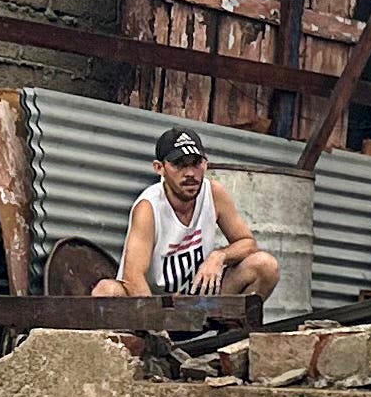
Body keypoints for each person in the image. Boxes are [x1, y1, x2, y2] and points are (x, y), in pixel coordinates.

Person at [92, 126, 283, 303]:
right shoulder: (148, 207)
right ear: (160, 168)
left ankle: (229, 333)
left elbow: (248, 243)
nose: (190, 173)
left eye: (196, 163)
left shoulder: (214, 194)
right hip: (154, 305)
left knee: (265, 265)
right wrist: (157, 324)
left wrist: (219, 256)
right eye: (179, 165)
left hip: (198, 301)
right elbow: (132, 275)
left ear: (206, 165)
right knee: (106, 290)